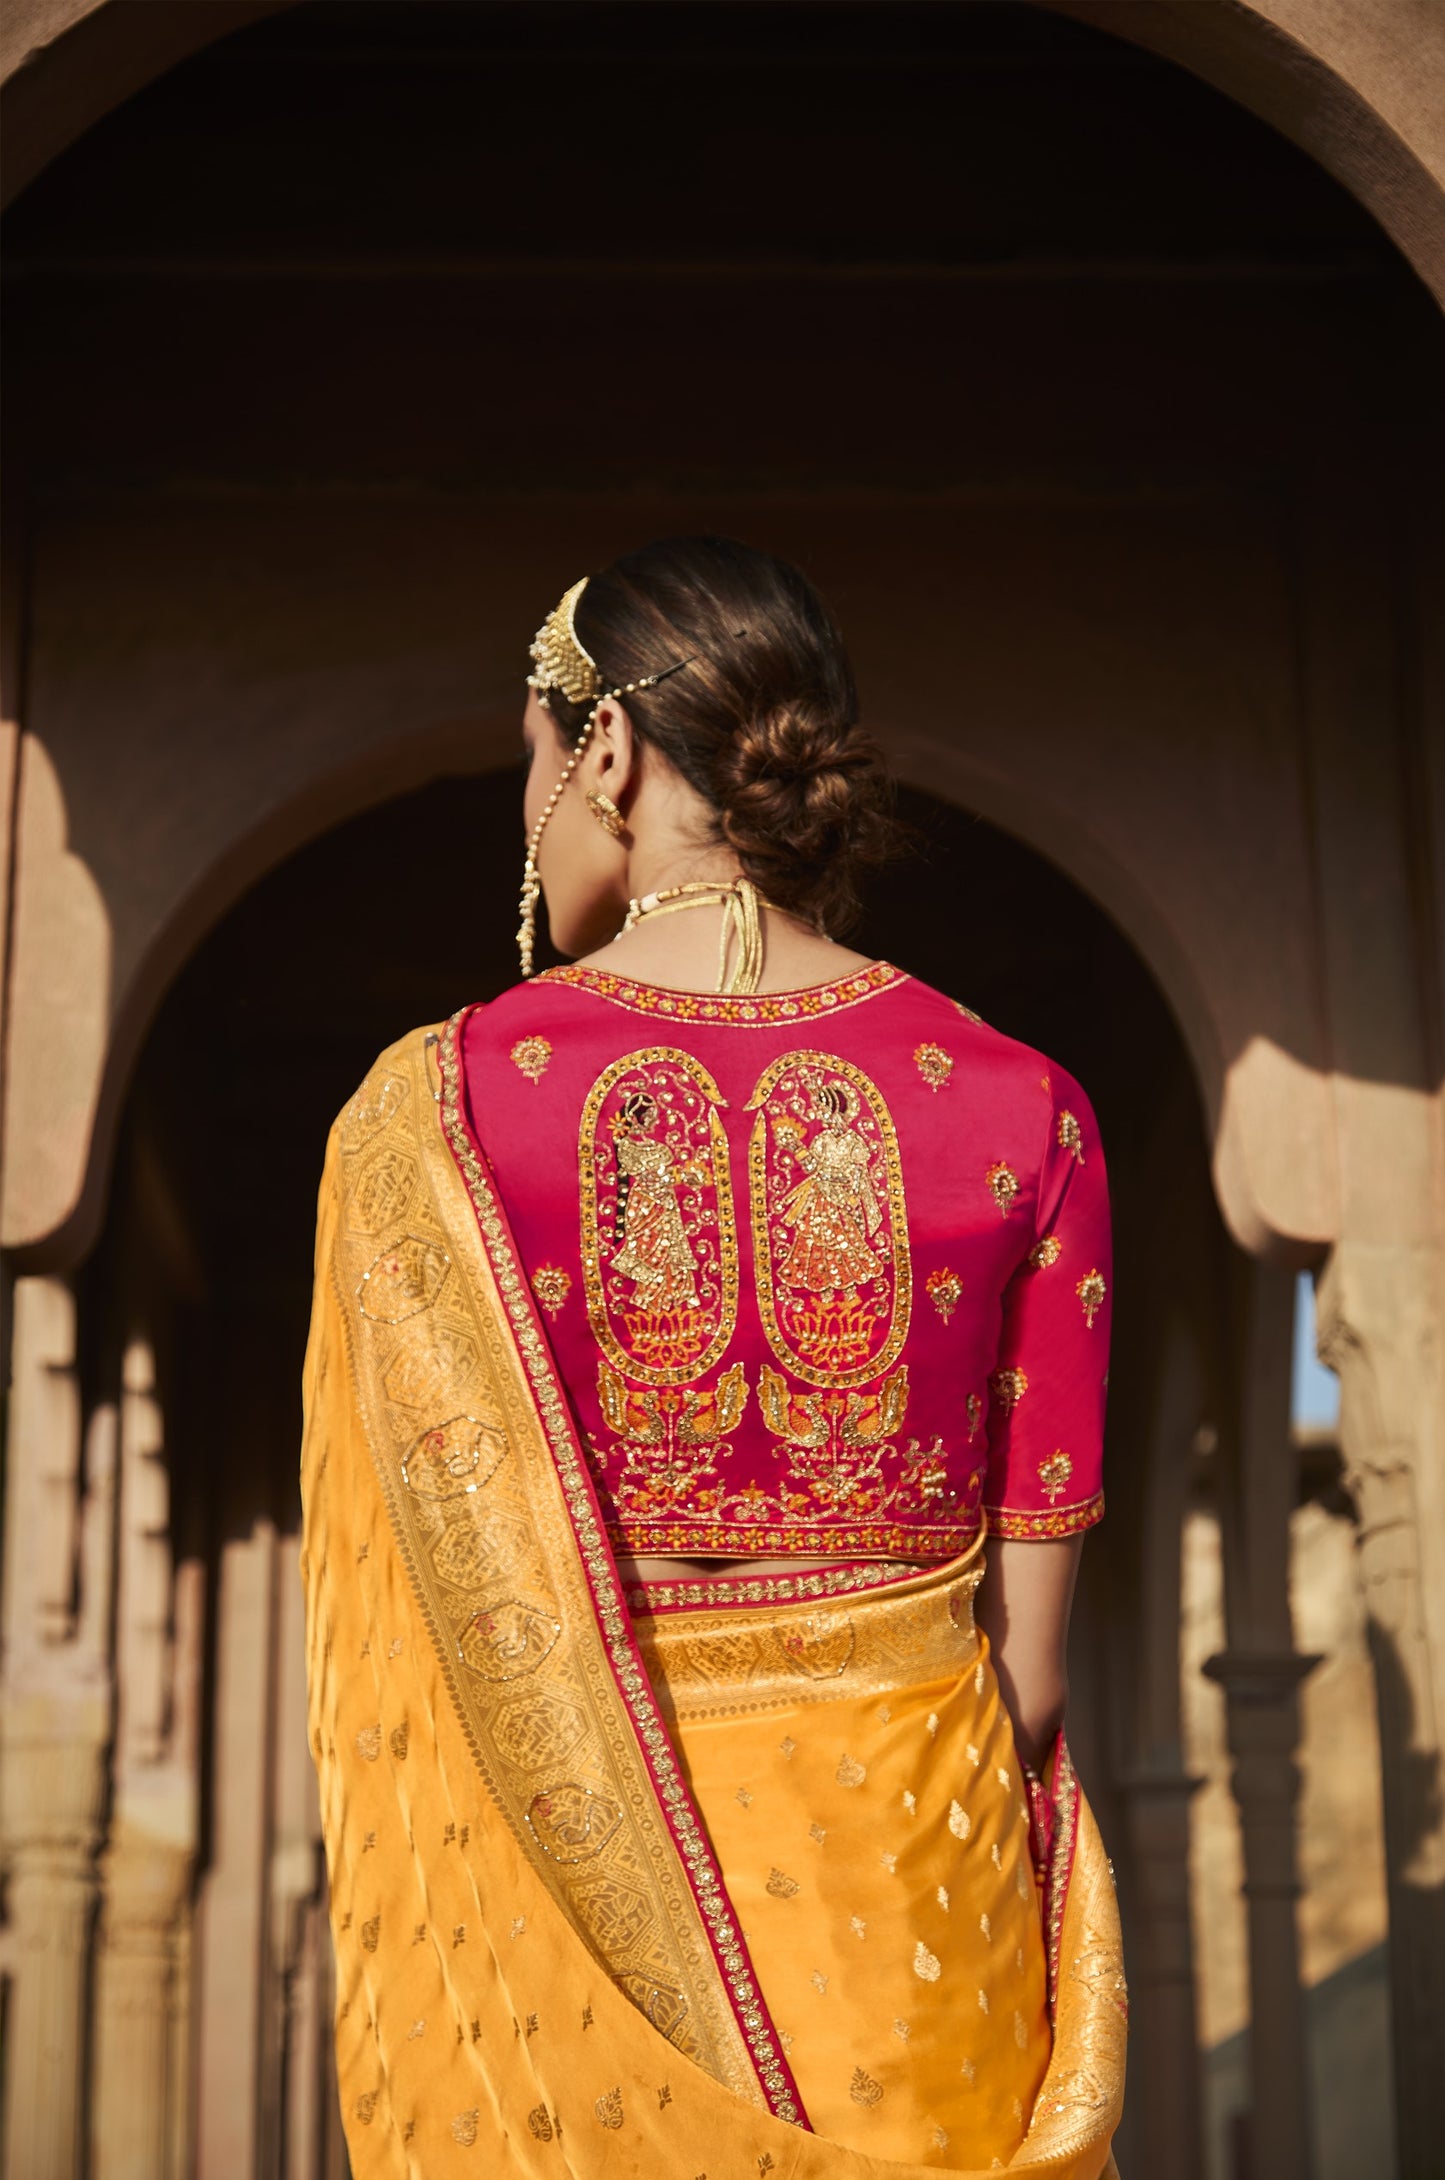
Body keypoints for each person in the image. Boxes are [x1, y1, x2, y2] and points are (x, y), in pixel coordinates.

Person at [299, 538, 1127, 2178]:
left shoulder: (443, 1105)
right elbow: (1026, 1679)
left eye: (533, 760)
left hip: (566, 1904)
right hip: (912, 1895)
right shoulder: (1023, 1105)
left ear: (603, 750)